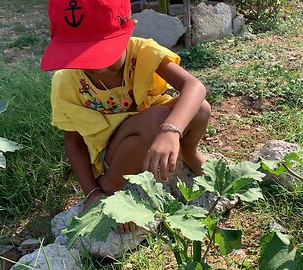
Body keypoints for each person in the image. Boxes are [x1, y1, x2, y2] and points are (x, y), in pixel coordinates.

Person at [41, 0, 210, 233]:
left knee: (200, 108)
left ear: (130, 28)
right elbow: (73, 140)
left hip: (153, 135)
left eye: (102, 52)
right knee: (155, 121)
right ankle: (112, 185)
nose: (95, 66)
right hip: (113, 154)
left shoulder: (142, 51)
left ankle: (188, 153)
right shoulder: (67, 81)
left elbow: (194, 86)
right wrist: (92, 192)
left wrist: (171, 130)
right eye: (81, 56)